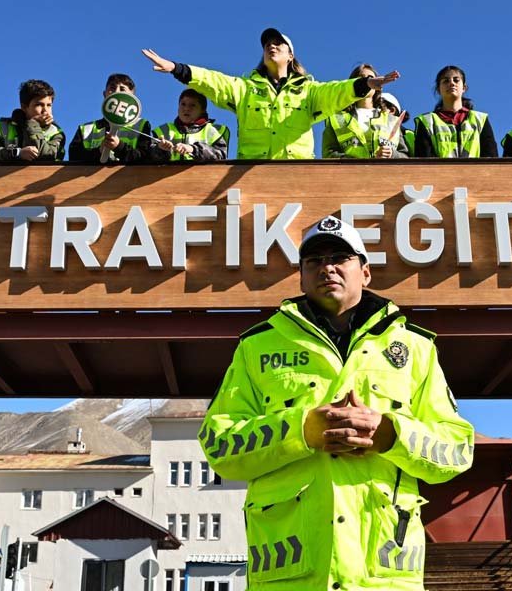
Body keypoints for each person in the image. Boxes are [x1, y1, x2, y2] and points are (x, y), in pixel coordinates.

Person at [201, 215, 474, 591]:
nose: (326, 267)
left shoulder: (415, 348)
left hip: (383, 580)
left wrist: (389, 435)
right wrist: (301, 431)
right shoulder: (257, 347)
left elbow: (457, 449)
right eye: (314, 261)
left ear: (365, 272)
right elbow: (219, 444)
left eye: (339, 258)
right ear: (300, 275)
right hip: (288, 578)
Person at [141, 28, 399, 159]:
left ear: (290, 55)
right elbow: (213, 81)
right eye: (267, 44)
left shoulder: (308, 91)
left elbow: (336, 92)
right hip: (252, 175)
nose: (271, 45)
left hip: (295, 175)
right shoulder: (245, 89)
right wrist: (177, 68)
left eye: (279, 43)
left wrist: (366, 84)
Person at [321, 64, 408, 158]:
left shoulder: (392, 120)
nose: (368, 81)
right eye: (362, 78)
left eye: (371, 78)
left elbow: (405, 156)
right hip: (351, 173)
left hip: (386, 172)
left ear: (378, 86)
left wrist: (392, 154)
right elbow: (329, 153)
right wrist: (358, 165)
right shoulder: (336, 119)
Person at [413, 66, 498, 158]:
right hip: (440, 172)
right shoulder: (427, 121)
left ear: (464, 87)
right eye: (446, 81)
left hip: (476, 172)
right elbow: (423, 160)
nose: (451, 83)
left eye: (456, 80)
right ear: (438, 89)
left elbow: (491, 156)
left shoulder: (480, 119)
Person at [68, 73, 154, 164]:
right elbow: (74, 158)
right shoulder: (85, 129)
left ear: (132, 97)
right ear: (104, 94)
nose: (116, 92)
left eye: (122, 89)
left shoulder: (141, 125)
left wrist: (119, 147)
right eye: (112, 88)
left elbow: (146, 158)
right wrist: (98, 151)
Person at [0, 80, 66, 162]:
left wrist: (32, 124)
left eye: (49, 105)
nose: (45, 110)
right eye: (39, 105)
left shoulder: (56, 133)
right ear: (24, 107)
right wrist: (17, 153)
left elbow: (46, 156)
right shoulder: (3, 126)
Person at [151, 89, 230, 162]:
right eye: (183, 104)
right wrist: (160, 149)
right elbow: (148, 157)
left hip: (201, 176)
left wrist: (193, 149)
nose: (186, 109)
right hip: (166, 177)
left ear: (203, 110)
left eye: (192, 105)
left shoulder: (213, 131)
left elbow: (221, 155)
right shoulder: (163, 130)